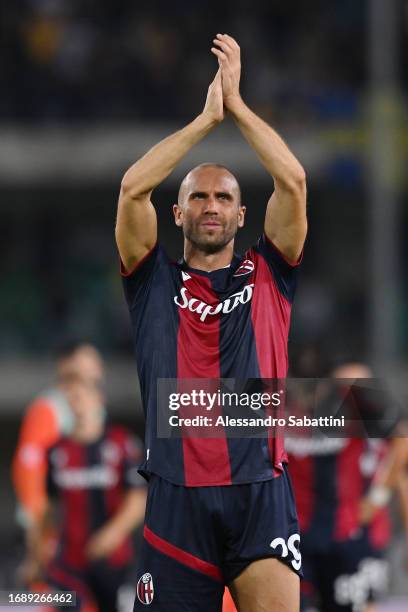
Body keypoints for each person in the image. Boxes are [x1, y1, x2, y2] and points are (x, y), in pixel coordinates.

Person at [116, 34, 307, 612]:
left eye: (224, 197)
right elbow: (132, 188)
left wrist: (239, 107)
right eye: (198, 197)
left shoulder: (271, 271)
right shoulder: (151, 279)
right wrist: (206, 120)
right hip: (176, 498)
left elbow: (293, 181)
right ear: (177, 213)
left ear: (241, 214)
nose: (211, 206)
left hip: (259, 492)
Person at [286, 362, 400, 612]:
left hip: (352, 533)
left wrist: (378, 498)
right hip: (297, 535)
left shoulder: (354, 404)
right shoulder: (278, 406)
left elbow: (401, 442)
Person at [43, 376, 147, 612]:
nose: (77, 403)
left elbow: (138, 500)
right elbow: (50, 506)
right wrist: (41, 547)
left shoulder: (122, 443)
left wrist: (111, 533)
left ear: (98, 399)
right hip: (68, 562)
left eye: (81, 396)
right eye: (71, 398)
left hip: (113, 559)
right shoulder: (56, 450)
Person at [12, 342, 105, 586]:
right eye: (90, 361)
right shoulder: (49, 408)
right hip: (54, 530)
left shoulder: (95, 405)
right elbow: (30, 471)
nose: (98, 367)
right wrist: (38, 534)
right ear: (70, 365)